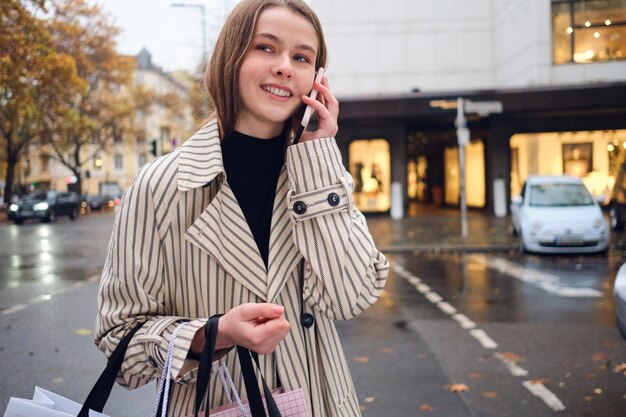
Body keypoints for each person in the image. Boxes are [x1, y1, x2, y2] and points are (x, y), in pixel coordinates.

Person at [94, 1, 389, 416]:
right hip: (211, 404)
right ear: (231, 57)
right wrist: (211, 334)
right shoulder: (160, 185)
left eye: (302, 57)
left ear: (317, 80)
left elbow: (351, 296)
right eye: (266, 48)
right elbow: (119, 341)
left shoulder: (318, 176)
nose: (285, 66)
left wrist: (318, 159)